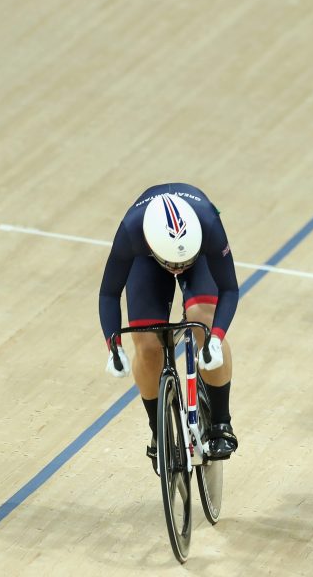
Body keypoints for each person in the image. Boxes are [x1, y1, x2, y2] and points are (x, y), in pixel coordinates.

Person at [99, 184, 240, 473]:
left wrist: (216, 339)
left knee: (203, 319)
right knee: (148, 345)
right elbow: (108, 294)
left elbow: (229, 288)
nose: (177, 269)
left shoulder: (209, 224)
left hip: (197, 252)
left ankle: (221, 423)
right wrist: (113, 347)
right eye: (172, 265)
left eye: (181, 264)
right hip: (147, 261)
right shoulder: (131, 232)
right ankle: (157, 429)